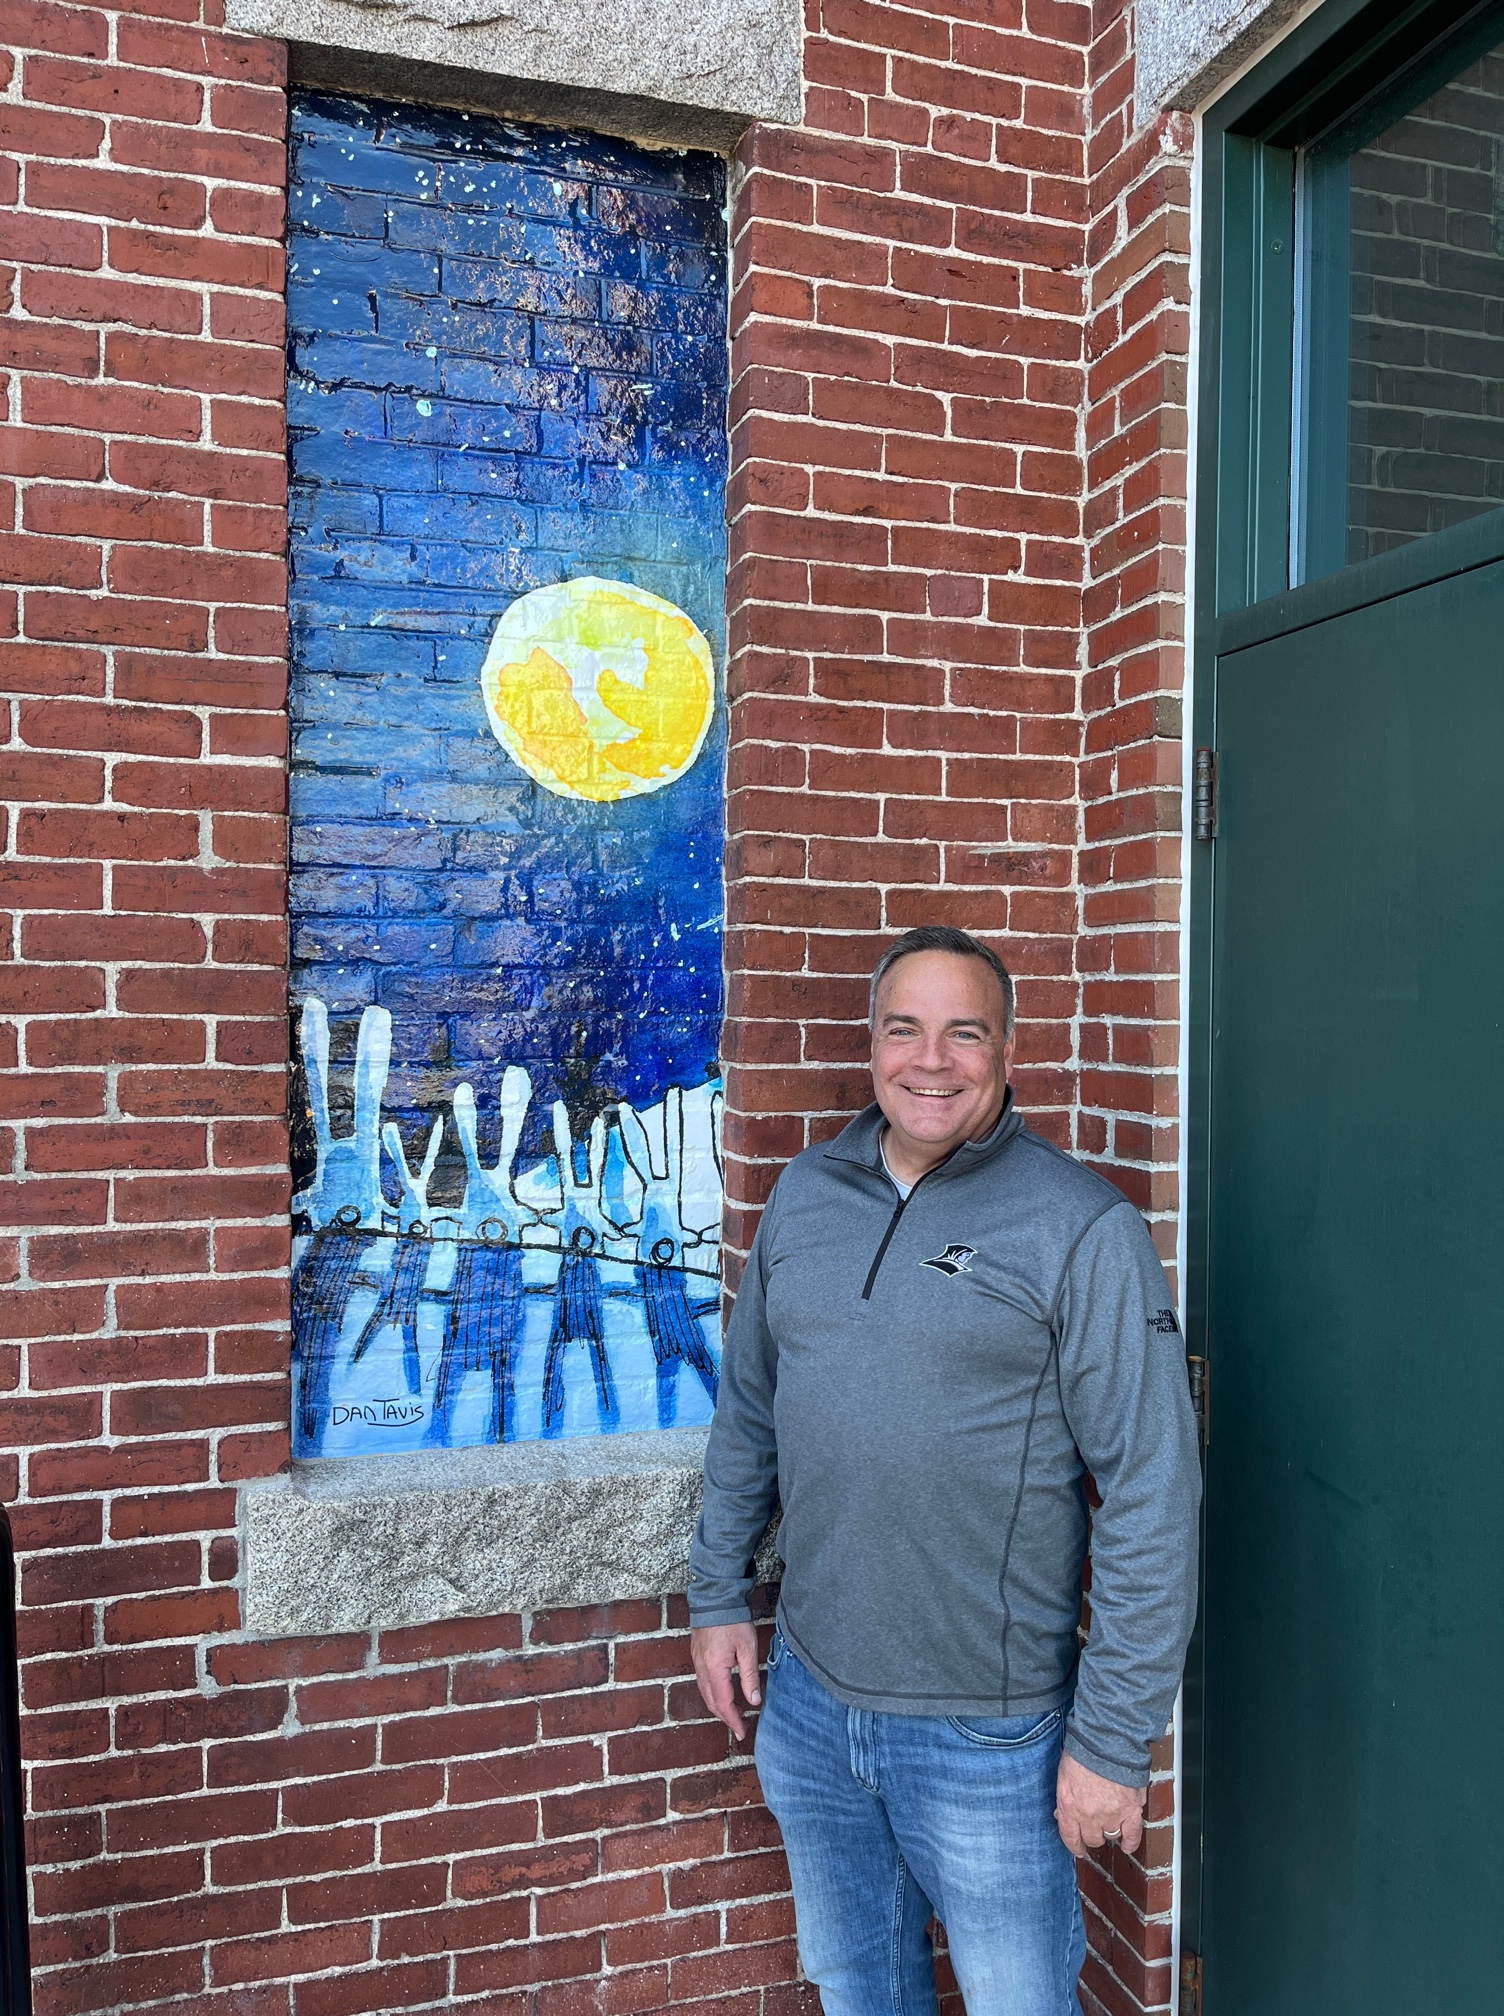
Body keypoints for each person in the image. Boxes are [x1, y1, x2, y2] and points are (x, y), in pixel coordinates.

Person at [687, 925, 1200, 2015]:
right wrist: (718, 1593)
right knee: (857, 1991)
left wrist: (1112, 1740)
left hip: (991, 1735)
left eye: (964, 1033)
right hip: (811, 1705)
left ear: (1007, 1051)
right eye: (903, 1029)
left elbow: (1153, 1492)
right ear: (871, 1044)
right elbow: (751, 1411)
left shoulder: (1081, 1228)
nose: (930, 1060)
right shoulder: (805, 1195)